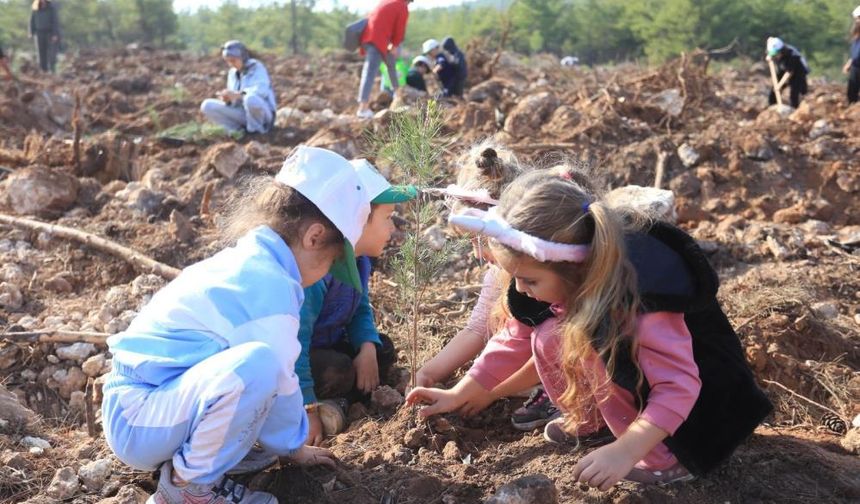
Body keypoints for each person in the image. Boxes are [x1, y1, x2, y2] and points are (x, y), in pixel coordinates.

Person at [407, 168, 772, 489]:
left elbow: (679, 387)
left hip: (703, 413)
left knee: (594, 348)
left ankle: (665, 460)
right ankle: (595, 421)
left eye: (528, 280)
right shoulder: (556, 276)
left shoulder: (644, 303)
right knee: (548, 335)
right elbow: (514, 337)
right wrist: (462, 391)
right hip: (642, 383)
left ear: (574, 269)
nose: (519, 289)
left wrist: (626, 451)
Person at [101, 146, 370, 504]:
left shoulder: (252, 261)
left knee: (257, 369)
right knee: (258, 366)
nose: (327, 272)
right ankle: (187, 489)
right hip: (139, 418)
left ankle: (203, 464)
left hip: (150, 407)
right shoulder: (269, 287)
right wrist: (294, 444)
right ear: (315, 237)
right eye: (332, 260)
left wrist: (285, 444)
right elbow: (283, 380)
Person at [416, 144, 558, 431]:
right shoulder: (499, 273)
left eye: (481, 242)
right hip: (525, 364)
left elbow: (549, 347)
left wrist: (492, 391)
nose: (477, 254)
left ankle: (562, 397)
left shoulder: (547, 272)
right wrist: (429, 372)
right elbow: (478, 328)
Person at [298, 160, 417, 445]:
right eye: (387, 217)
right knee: (338, 368)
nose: (392, 228)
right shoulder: (317, 273)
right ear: (359, 218)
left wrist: (366, 347)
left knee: (381, 349)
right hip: (299, 360)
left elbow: (359, 308)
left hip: (330, 343)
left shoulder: (360, 261)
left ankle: (344, 396)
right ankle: (325, 406)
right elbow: (296, 344)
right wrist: (308, 409)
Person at [200, 40, 276, 135]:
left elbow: (262, 90)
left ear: (242, 57)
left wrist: (239, 95)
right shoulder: (232, 73)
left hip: (263, 114)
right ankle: (236, 132)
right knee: (207, 105)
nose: (231, 64)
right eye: (228, 61)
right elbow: (235, 100)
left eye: (233, 60)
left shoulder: (257, 67)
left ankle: (257, 132)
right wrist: (228, 99)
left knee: (250, 99)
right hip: (244, 113)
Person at [357, 0, 413, 119]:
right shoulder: (401, 6)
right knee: (370, 72)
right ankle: (362, 108)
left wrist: (391, 45)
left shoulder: (386, 1)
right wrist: (395, 45)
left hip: (371, 38)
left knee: (391, 66)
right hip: (377, 40)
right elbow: (399, 30)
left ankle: (398, 98)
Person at [766, 37, 809, 108]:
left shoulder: (791, 56)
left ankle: (795, 110)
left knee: (794, 94)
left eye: (776, 54)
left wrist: (779, 85)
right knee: (773, 90)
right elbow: (769, 40)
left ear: (781, 51)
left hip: (798, 72)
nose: (776, 56)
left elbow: (789, 73)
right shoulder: (773, 46)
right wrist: (769, 56)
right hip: (784, 69)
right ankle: (772, 107)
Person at [29, 0, 60, 74]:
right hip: (39, 33)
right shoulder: (35, 8)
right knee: (41, 52)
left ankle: (52, 70)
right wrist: (31, 32)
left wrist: (55, 34)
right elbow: (31, 21)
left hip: (50, 33)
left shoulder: (51, 8)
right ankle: (43, 70)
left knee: (51, 53)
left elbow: (55, 21)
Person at [843, 8, 860, 104]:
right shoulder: (857, 37)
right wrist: (849, 64)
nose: (857, 21)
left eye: (858, 18)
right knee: (851, 94)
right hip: (856, 67)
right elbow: (855, 54)